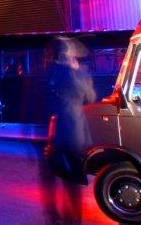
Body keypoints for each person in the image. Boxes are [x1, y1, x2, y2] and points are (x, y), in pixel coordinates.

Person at [40, 37, 96, 225]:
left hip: (55, 133)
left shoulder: (51, 74)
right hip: (77, 133)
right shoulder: (81, 74)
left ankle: (56, 218)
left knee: (54, 176)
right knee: (73, 182)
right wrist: (79, 73)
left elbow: (47, 105)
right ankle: (74, 220)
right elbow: (91, 98)